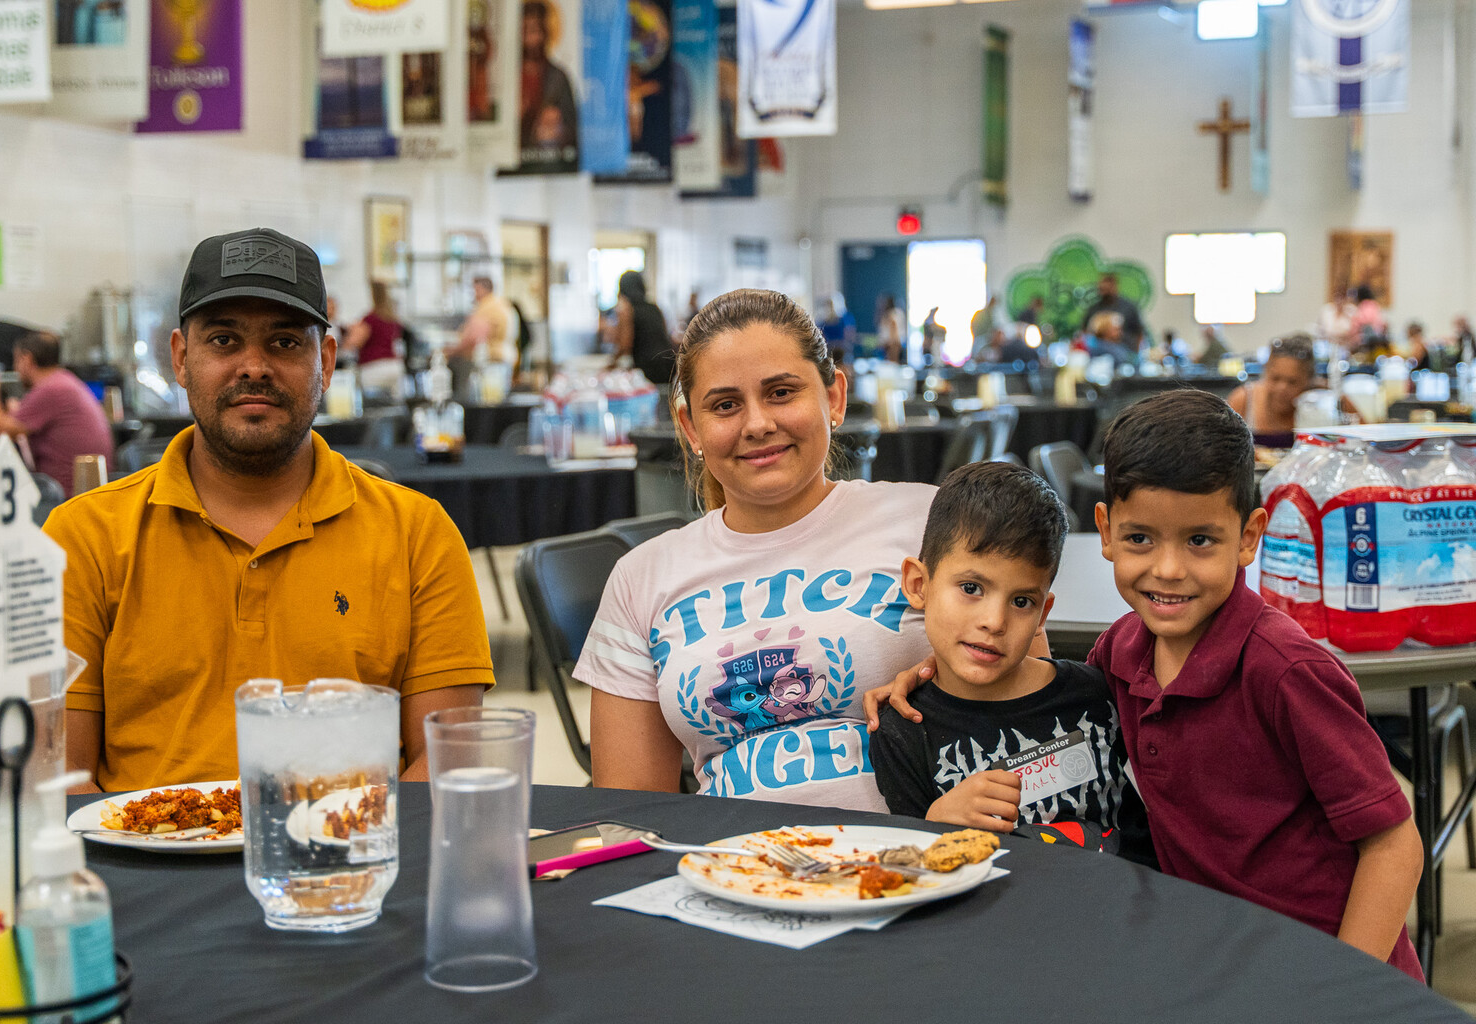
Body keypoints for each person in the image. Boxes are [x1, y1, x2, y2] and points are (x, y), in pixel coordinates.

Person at [867, 390, 1424, 980]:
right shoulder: (1121, 654)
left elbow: (1393, 844)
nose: (1168, 569)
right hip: (1199, 966)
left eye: (1200, 540)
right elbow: (1034, 680)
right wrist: (933, 669)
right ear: (1105, 530)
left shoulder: (1286, 671)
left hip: (1316, 973)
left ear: (1249, 535)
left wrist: (1348, 987)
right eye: (1140, 539)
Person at [47, 227, 493, 793]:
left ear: (325, 362)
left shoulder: (417, 535)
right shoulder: (83, 537)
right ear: (181, 360)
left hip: (348, 864)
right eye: (224, 341)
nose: (253, 366)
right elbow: (60, 778)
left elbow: (447, 763)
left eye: (284, 342)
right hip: (138, 866)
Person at [573, 288, 940, 810]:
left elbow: (1034, 707)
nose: (757, 424)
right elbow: (631, 815)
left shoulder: (932, 522)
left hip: (924, 861)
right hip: (736, 871)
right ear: (690, 427)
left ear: (834, 397)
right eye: (725, 405)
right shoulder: (641, 579)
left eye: (782, 392)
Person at [869, 462, 1154, 866]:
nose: (994, 621)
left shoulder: (1099, 696)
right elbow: (913, 877)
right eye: (971, 588)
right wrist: (934, 829)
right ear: (919, 585)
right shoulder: (901, 730)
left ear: (1042, 614)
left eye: (1022, 601)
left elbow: (1148, 844)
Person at [0, 331, 114, 497]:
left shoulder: (50, 389)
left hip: (64, 495)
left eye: (16, 360)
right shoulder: (64, 381)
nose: (16, 368)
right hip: (90, 490)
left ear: (27, 359)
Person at [1225, 333, 1317, 449]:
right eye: (1275, 379)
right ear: (1265, 373)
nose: (1282, 388)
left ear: (1308, 381)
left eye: (1292, 382)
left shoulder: (1323, 403)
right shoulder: (1243, 400)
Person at [517, 0, 578, 170]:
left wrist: (557, 127)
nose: (529, 39)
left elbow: (573, 130)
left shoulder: (558, 77)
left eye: (534, 31)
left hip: (548, 163)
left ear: (545, 33)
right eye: (524, 31)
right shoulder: (509, 77)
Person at [606, 269, 673, 385]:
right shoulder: (655, 308)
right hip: (669, 363)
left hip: (648, 367)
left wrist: (612, 363)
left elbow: (625, 344)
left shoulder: (627, 310)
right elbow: (665, 335)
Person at [342, 281, 407, 400]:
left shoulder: (370, 319)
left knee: (371, 405)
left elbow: (354, 342)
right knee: (394, 405)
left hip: (374, 368)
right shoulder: (393, 320)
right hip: (395, 367)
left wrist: (347, 336)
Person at [1080, 273, 1145, 355]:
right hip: (1099, 352)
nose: (1104, 291)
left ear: (1115, 287)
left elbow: (1139, 332)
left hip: (1125, 350)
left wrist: (1136, 353)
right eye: (1102, 289)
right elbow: (1085, 332)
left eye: (1107, 289)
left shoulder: (1128, 307)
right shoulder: (1094, 309)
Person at [816, 293, 856, 368]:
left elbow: (849, 336)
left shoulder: (845, 320)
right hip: (828, 354)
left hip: (844, 353)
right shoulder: (822, 322)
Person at [877, 293, 906, 363]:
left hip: (893, 345)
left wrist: (893, 346)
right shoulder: (890, 315)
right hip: (890, 346)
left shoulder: (893, 315)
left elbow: (894, 335)